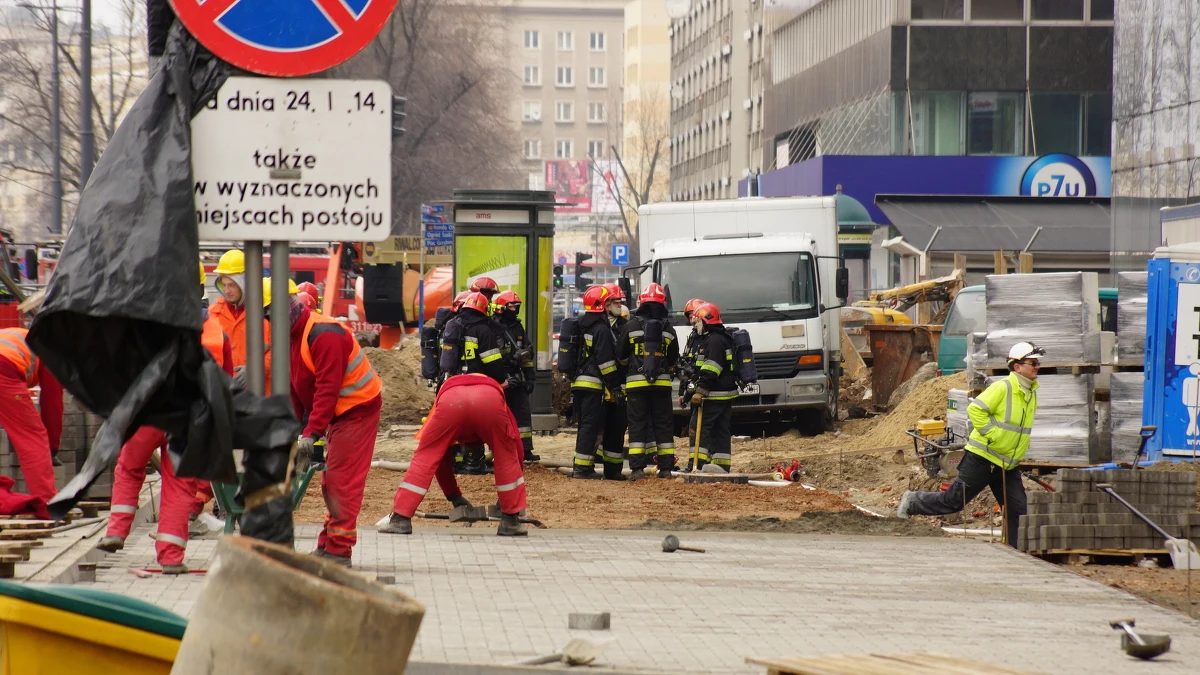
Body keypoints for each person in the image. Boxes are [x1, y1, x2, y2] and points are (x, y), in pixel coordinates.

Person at [99, 263, 233, 572]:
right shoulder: (216, 333)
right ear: (200, 290)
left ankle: (117, 531)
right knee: (180, 484)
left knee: (130, 467)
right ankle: (171, 557)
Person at [268, 279, 383, 567]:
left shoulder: (324, 334)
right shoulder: (293, 336)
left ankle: (339, 550)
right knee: (331, 481)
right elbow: (296, 389)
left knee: (342, 481)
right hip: (340, 413)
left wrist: (311, 433)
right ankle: (328, 545)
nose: (270, 320)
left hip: (358, 409)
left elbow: (327, 390)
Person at [898, 342, 1043, 546]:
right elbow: (975, 409)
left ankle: (1014, 552)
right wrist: (993, 434)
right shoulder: (1004, 387)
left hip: (1006, 464)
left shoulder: (1030, 393)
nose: (1037, 366)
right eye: (1033, 362)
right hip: (983, 458)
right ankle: (913, 501)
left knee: (1017, 510)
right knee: (954, 501)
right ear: (1017, 366)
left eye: (1037, 363)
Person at [379, 373, 529, 536]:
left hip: (451, 401)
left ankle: (400, 518)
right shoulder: (498, 395)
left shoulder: (442, 397)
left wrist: (454, 496)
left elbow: (439, 460)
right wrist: (510, 503)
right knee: (506, 454)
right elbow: (517, 452)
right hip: (489, 400)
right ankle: (510, 523)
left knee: (426, 457)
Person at [616, 283, 679, 480]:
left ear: (641, 302)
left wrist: (633, 366)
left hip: (635, 385)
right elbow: (673, 359)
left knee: (637, 425)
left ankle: (636, 470)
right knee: (663, 424)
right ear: (663, 303)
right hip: (661, 385)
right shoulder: (668, 328)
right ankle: (666, 469)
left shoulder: (631, 325)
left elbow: (621, 355)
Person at [440, 291, 507, 474]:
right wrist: (502, 380)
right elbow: (492, 361)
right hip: (477, 383)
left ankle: (456, 461)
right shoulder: (483, 330)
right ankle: (474, 464)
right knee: (477, 422)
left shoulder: (452, 325)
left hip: (453, 382)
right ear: (484, 309)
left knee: (456, 423)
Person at [0, 326, 63, 507]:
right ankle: (47, 500)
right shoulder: (52, 352)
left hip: (5, 365)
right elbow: (52, 404)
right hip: (4, 369)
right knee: (32, 436)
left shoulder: (22, 335)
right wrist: (51, 448)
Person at [570, 285, 626, 480]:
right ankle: (582, 469)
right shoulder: (601, 329)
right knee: (590, 426)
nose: (618, 305)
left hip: (578, 383)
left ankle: (580, 466)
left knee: (585, 426)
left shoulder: (581, 324)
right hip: (593, 385)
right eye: (613, 302)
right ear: (604, 304)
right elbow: (606, 363)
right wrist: (615, 387)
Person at [209, 249, 273, 393]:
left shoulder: (264, 313)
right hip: (223, 392)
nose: (227, 290)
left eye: (232, 285)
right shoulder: (212, 314)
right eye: (223, 285)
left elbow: (279, 352)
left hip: (257, 395)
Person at [687, 303, 737, 472]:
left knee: (699, 428)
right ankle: (721, 467)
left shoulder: (714, 341)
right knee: (721, 431)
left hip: (713, 394)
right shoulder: (721, 338)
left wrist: (700, 391)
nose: (696, 325)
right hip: (724, 393)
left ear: (705, 320)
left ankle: (696, 466)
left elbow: (711, 369)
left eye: (698, 322)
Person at [494, 290, 539, 463]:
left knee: (522, 414)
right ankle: (500, 451)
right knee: (500, 416)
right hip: (501, 378)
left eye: (517, 306)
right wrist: (504, 374)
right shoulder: (493, 327)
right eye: (511, 306)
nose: (515, 309)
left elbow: (527, 353)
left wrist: (530, 377)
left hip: (517, 377)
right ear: (501, 308)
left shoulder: (517, 327)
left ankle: (525, 449)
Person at [677, 298, 706, 448]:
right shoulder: (693, 337)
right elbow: (687, 368)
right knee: (694, 427)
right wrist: (682, 392)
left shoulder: (707, 338)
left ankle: (698, 462)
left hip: (703, 390)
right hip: (692, 390)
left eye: (694, 315)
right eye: (689, 316)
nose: (692, 319)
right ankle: (694, 462)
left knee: (701, 428)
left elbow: (700, 370)